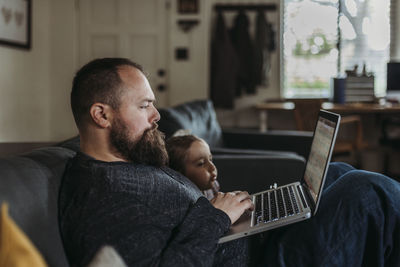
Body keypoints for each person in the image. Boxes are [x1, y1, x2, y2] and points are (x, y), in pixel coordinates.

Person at [58, 57, 400, 267]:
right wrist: (216, 216)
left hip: (251, 244)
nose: (157, 116)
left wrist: (228, 207)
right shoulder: (101, 201)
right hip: (260, 262)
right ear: (101, 115)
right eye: (144, 105)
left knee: (339, 172)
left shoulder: (125, 161)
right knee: (368, 191)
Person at [166, 134, 220, 200]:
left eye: (210, 159)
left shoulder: (212, 186)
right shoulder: (183, 199)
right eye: (201, 163)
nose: (212, 167)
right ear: (180, 174)